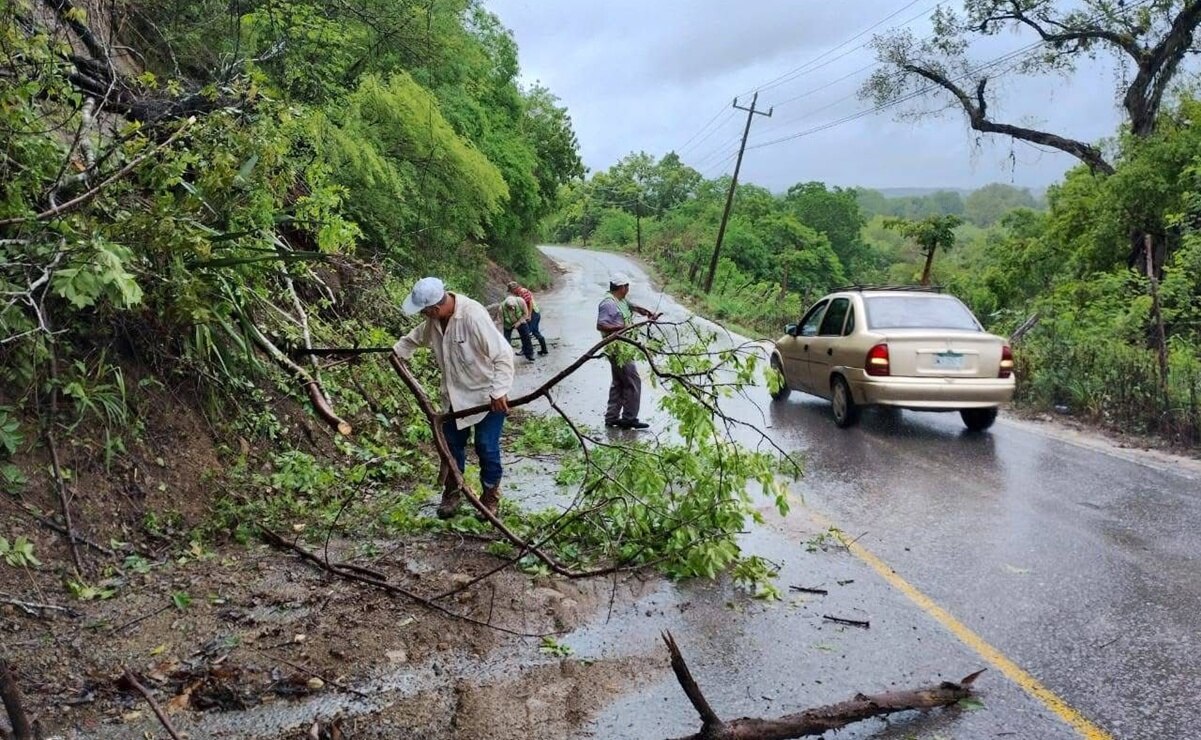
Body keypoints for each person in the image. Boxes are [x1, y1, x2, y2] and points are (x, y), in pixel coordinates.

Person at [393, 277, 514, 518]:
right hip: (453, 398)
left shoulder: (472, 316)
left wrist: (499, 391)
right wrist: (398, 352)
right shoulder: (434, 322)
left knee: (486, 447)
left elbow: (503, 354)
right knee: (449, 448)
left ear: (434, 308)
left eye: (424, 312)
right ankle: (452, 492)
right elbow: (414, 338)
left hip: (486, 397)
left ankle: (490, 497)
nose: (423, 316)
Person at [596, 272, 660, 430]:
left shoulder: (621, 300)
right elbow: (601, 325)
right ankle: (629, 418)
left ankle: (611, 418)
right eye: (627, 286)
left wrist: (647, 313)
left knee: (619, 382)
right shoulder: (608, 303)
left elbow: (634, 307)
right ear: (622, 287)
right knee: (632, 381)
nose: (628, 289)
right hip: (617, 348)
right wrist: (623, 327)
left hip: (623, 347)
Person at [507, 280, 548, 355]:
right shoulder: (518, 294)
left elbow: (530, 303)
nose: (511, 292)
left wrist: (529, 315)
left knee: (528, 332)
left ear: (514, 289)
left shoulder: (523, 291)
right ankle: (542, 349)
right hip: (531, 313)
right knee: (532, 332)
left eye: (511, 290)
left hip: (533, 313)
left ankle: (528, 350)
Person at [500, 293, 535, 362]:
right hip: (508, 323)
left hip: (520, 320)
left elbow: (525, 314)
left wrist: (518, 323)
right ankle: (507, 356)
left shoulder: (521, 301)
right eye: (510, 307)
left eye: (513, 307)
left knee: (526, 336)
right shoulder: (501, 308)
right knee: (506, 340)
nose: (512, 308)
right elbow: (501, 320)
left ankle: (529, 354)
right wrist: (506, 326)